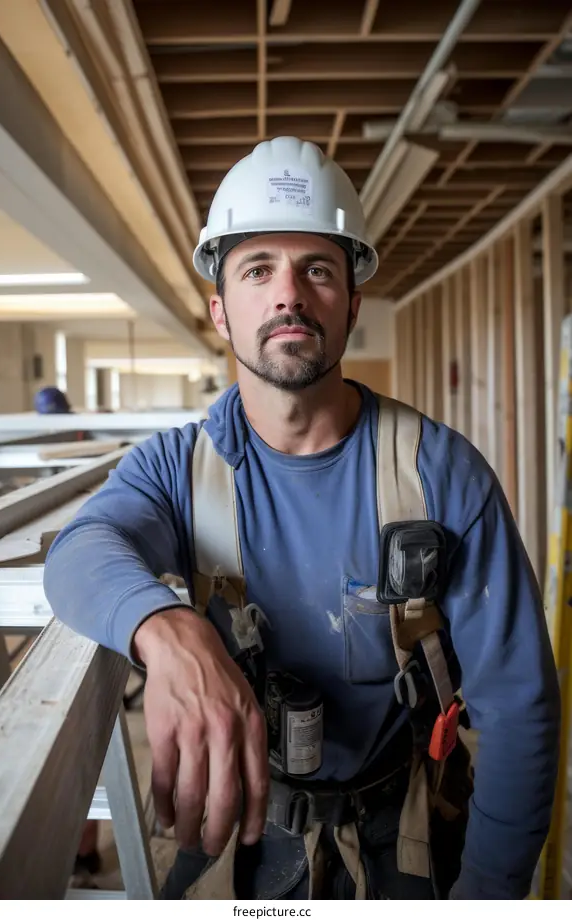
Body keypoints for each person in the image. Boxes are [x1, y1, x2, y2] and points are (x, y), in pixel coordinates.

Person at [43, 136, 560, 900]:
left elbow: (520, 712)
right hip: (244, 837)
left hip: (409, 832)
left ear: (352, 301)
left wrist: (486, 896)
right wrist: (170, 629)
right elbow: (80, 550)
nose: (289, 294)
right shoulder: (178, 469)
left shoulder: (438, 473)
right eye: (259, 270)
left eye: (317, 268)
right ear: (221, 309)